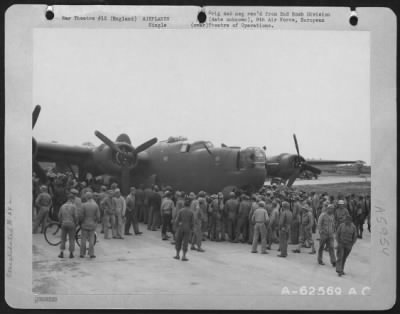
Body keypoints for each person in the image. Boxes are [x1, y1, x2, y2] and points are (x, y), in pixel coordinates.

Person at [79, 192, 100, 258]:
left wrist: (81, 222)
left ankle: (82, 254)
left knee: (83, 239)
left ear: (86, 197)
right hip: (92, 224)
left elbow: (81, 216)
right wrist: (95, 221)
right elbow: (98, 216)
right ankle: (91, 254)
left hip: (85, 224)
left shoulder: (83, 205)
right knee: (91, 239)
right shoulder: (95, 205)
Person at [173, 197, 195, 261]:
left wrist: (175, 227)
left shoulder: (181, 210)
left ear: (184, 204)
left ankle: (177, 255)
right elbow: (192, 222)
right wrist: (192, 229)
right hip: (187, 228)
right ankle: (184, 256)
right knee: (185, 242)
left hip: (181, 227)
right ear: (189, 205)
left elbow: (177, 220)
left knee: (178, 241)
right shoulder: (191, 212)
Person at [57, 193, 78, 258]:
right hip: (71, 224)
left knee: (63, 239)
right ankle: (71, 254)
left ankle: (61, 253)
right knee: (71, 239)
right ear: (72, 199)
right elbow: (76, 216)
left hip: (64, 223)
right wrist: (76, 223)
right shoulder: (74, 206)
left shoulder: (62, 206)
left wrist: (61, 223)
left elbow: (59, 216)